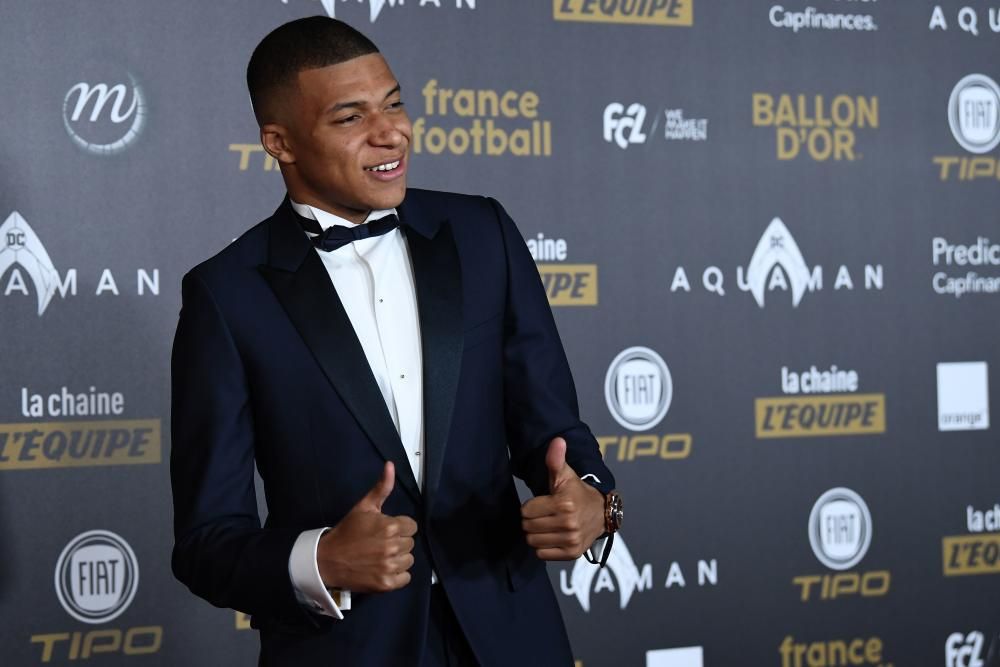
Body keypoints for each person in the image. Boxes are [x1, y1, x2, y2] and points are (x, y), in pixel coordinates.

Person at [170, 16, 621, 667]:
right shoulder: (227, 295)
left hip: (512, 635)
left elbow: (553, 430)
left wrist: (591, 496)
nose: (392, 132)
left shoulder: (481, 234)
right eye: (350, 117)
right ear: (280, 142)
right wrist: (321, 558)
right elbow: (206, 542)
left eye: (395, 103)